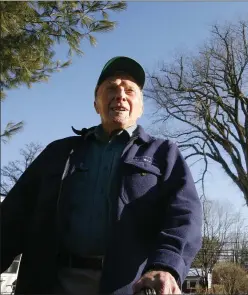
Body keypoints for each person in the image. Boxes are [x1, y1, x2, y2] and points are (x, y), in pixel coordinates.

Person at [0, 56, 203, 295]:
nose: (121, 95)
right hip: (51, 283)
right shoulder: (58, 151)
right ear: (96, 103)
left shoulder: (163, 153)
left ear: (140, 107)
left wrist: (166, 265)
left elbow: (184, 215)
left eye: (130, 90)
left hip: (127, 286)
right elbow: (13, 216)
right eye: (111, 88)